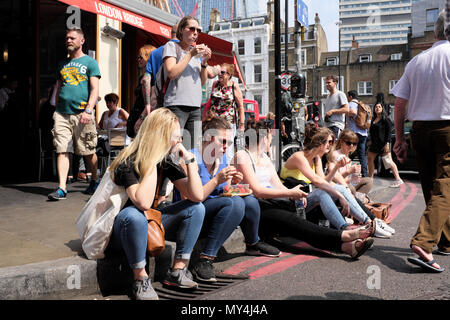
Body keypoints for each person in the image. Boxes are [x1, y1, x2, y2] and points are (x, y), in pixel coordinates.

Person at [233, 120, 374, 259]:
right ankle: (346, 235)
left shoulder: (264, 157)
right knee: (298, 224)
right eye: (270, 135)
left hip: (276, 202)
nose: (271, 139)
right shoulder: (242, 156)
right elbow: (257, 191)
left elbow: (278, 185)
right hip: (260, 207)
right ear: (264, 136)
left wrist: (294, 194)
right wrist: (289, 193)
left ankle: (347, 247)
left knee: (302, 226)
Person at [108, 108, 205, 299]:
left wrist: (190, 160)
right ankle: (140, 279)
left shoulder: (165, 161)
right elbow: (142, 203)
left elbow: (197, 195)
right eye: (175, 137)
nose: (179, 141)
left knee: (196, 208)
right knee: (134, 216)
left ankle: (177, 270)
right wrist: (152, 160)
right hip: (121, 230)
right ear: (159, 137)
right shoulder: (127, 161)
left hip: (149, 224)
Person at [391, 10, 449, 273]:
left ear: (436, 32)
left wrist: (400, 139)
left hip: (420, 129)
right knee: (445, 187)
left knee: (432, 186)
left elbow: (400, 103)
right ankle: (425, 242)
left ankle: (446, 241)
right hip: (447, 127)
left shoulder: (416, 61)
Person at [188, 117, 280, 282]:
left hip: (215, 207)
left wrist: (234, 182)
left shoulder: (221, 158)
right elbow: (195, 197)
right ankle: (205, 259)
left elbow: (224, 190)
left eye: (229, 143)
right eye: (222, 142)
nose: (226, 147)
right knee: (236, 203)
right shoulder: (192, 158)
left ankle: (253, 243)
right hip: (194, 211)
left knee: (249, 200)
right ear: (208, 137)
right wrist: (217, 180)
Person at [280, 123, 394, 237]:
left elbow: (324, 180)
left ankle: (371, 223)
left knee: (341, 188)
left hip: (304, 197)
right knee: (323, 193)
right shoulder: (299, 157)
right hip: (291, 200)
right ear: (320, 143)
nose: (331, 145)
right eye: (329, 142)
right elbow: (317, 181)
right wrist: (339, 195)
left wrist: (336, 168)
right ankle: (346, 229)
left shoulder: (317, 159)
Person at [47, 28, 101, 200]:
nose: (68, 40)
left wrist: (88, 110)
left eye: (72, 38)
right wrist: (56, 108)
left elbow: (94, 89)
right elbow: (59, 87)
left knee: (88, 151)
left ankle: (94, 179)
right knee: (62, 149)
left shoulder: (90, 63)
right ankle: (62, 188)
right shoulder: (62, 64)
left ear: (82, 41)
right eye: (67, 38)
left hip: (82, 113)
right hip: (62, 113)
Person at [162, 15, 211, 150]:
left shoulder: (194, 52)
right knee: (171, 147)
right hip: (176, 105)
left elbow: (201, 82)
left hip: (195, 106)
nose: (195, 33)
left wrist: (205, 62)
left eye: (198, 30)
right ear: (182, 30)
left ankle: (188, 171)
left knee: (192, 149)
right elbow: (171, 73)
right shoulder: (172, 46)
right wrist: (190, 55)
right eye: (192, 29)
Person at [201, 63, 245, 135]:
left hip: (228, 123)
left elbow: (241, 106)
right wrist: (204, 117)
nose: (219, 74)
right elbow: (211, 101)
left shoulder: (234, 86)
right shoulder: (215, 84)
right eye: (219, 72)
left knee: (226, 145)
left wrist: (242, 125)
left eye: (222, 72)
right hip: (214, 122)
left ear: (229, 75)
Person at [367, 103, 403, 188]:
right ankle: (370, 179)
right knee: (370, 158)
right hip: (375, 144)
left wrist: (387, 143)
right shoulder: (373, 120)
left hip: (384, 144)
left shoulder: (386, 119)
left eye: (379, 107)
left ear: (382, 108)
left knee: (388, 161)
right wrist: (370, 142)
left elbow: (389, 133)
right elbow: (371, 133)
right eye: (376, 106)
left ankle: (398, 179)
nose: (377, 108)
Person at [328, 129, 373, 195]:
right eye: (348, 143)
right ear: (341, 142)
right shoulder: (335, 155)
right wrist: (348, 172)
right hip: (338, 186)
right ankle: (358, 199)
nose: (351, 146)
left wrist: (355, 177)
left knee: (369, 181)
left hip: (347, 184)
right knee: (351, 188)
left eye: (354, 144)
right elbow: (334, 179)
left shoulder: (348, 157)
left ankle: (357, 198)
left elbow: (350, 180)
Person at [126, 44, 156, 138]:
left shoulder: (150, 79)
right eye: (138, 57)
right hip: (138, 116)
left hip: (144, 118)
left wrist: (141, 118)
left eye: (141, 57)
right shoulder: (142, 78)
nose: (138, 59)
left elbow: (149, 103)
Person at [345, 90, 369, 177]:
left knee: (348, 153)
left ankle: (343, 172)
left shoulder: (351, 104)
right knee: (362, 155)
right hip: (363, 133)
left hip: (354, 133)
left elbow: (353, 112)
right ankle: (365, 175)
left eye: (348, 97)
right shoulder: (362, 105)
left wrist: (344, 112)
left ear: (350, 97)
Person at [323, 75, 349, 139]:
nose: (327, 84)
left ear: (335, 83)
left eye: (329, 82)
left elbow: (346, 109)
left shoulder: (340, 94)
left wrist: (333, 111)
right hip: (327, 126)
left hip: (336, 125)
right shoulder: (328, 96)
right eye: (326, 83)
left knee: (334, 145)